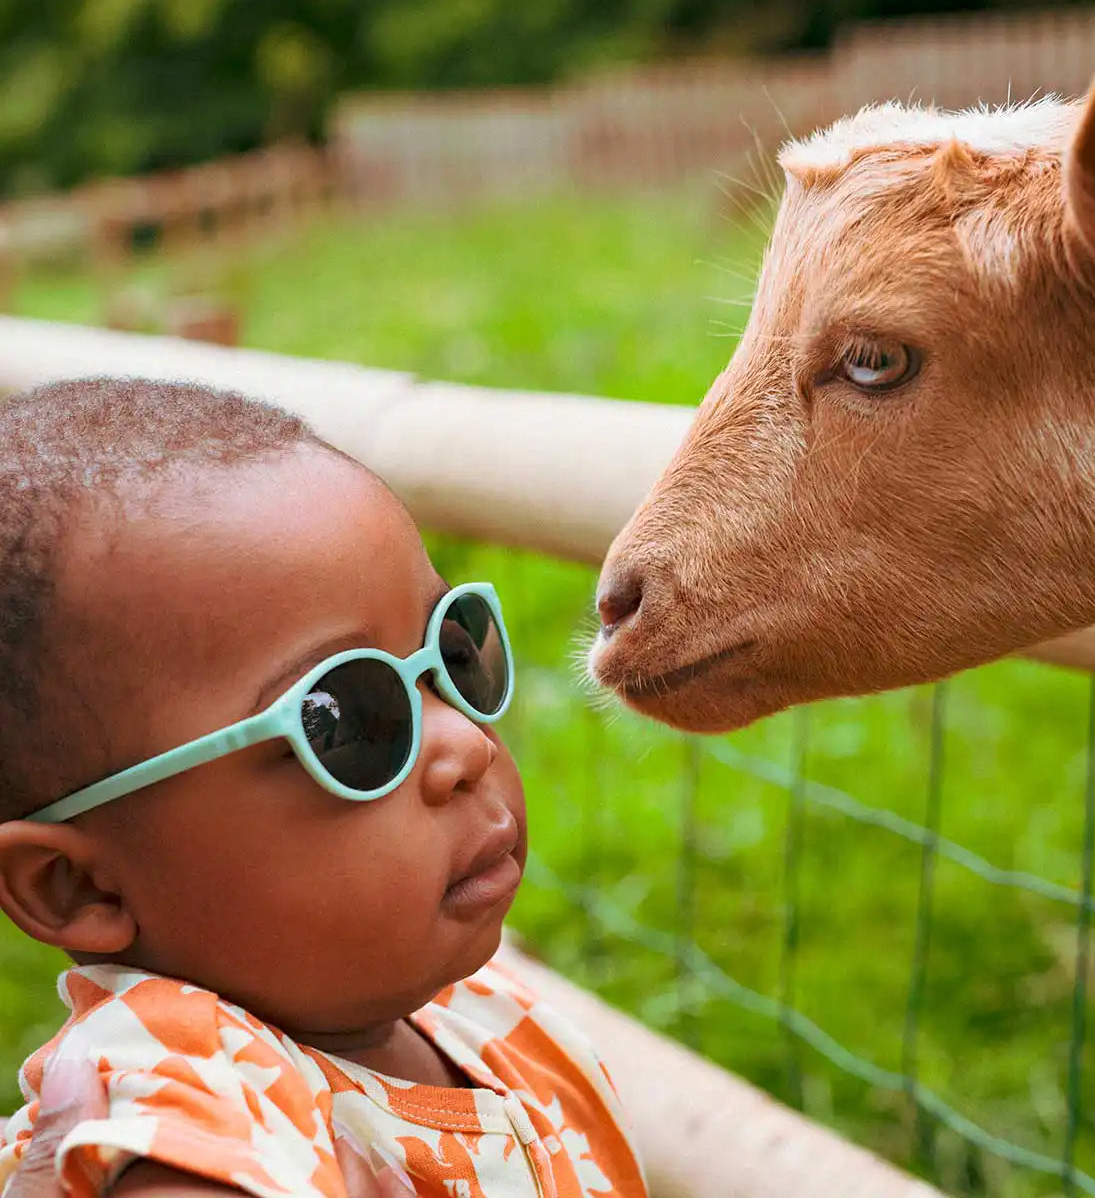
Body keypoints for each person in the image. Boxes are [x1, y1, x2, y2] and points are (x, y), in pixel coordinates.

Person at [0, 379, 646, 1198]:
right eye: (345, 719)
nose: (463, 746)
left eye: (453, 652)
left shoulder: (463, 1008)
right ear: (78, 885)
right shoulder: (188, 1120)